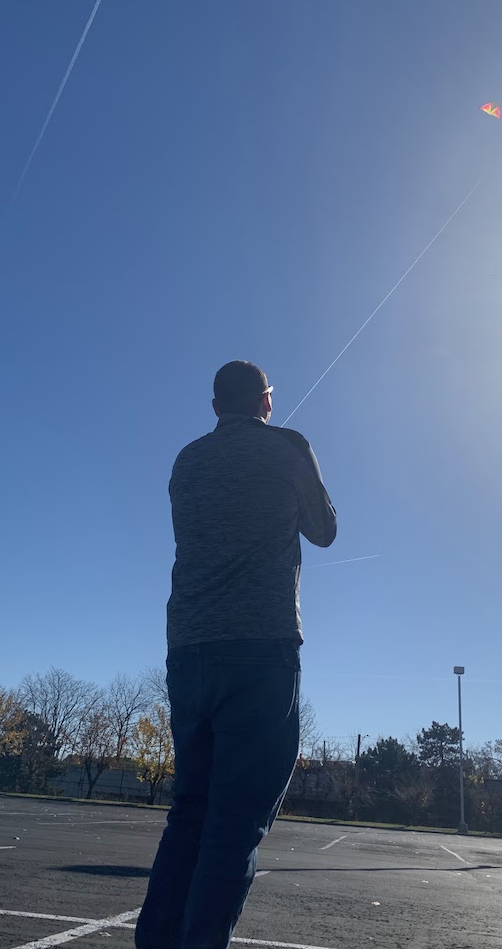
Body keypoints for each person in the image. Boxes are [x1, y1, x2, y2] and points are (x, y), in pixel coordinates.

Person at [135, 360, 336, 949]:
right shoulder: (288, 445)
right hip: (259, 648)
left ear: (215, 405)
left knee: (189, 812)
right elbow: (324, 530)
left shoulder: (186, 461)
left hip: (189, 649)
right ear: (265, 400)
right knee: (235, 824)